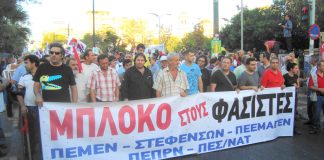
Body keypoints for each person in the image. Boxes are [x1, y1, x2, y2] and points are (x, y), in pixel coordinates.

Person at [17, 55, 42, 159]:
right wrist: (22, 106)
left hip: (44, 109)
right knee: (31, 134)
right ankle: (30, 154)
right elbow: (19, 93)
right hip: (30, 109)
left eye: (27, 62)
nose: (25, 65)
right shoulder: (23, 77)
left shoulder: (44, 76)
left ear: (33, 63)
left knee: (42, 134)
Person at [283, 62, 301, 135]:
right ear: (291, 69)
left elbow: (298, 85)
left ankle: (293, 128)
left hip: (294, 97)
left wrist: (297, 85)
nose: (297, 69)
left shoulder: (296, 76)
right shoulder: (285, 76)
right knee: (286, 112)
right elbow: (282, 85)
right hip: (285, 98)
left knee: (293, 113)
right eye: (296, 68)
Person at [308, 60, 324, 134]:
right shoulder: (313, 75)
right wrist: (319, 89)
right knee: (317, 113)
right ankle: (315, 127)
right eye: (322, 66)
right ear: (318, 67)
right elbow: (310, 86)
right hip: (318, 96)